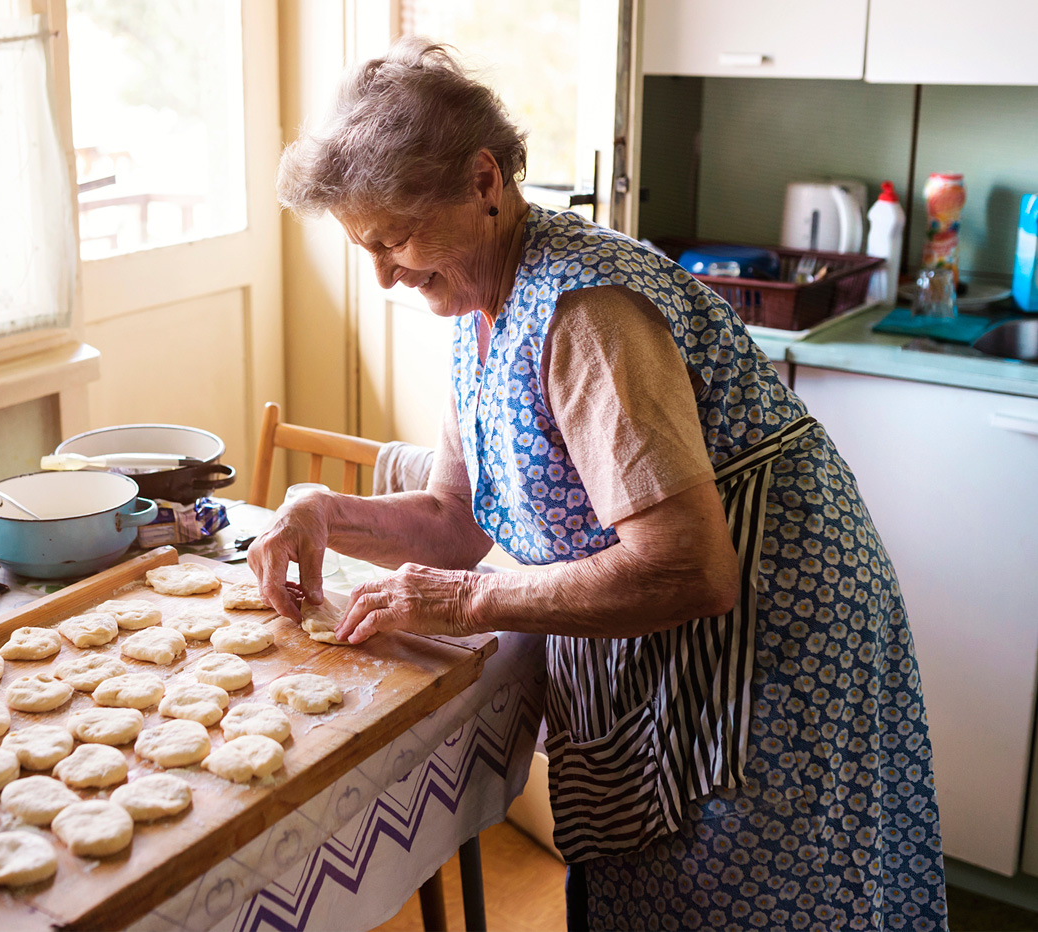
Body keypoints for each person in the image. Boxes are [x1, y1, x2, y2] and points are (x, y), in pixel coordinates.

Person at [254, 38, 948, 932]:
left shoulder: (587, 314)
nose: (385, 273)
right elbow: (453, 517)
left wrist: (469, 602)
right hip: (679, 643)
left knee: (752, 899)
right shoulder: (477, 302)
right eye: (366, 248)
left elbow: (692, 566)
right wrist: (318, 510)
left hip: (769, 652)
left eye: (395, 239)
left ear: (482, 180)